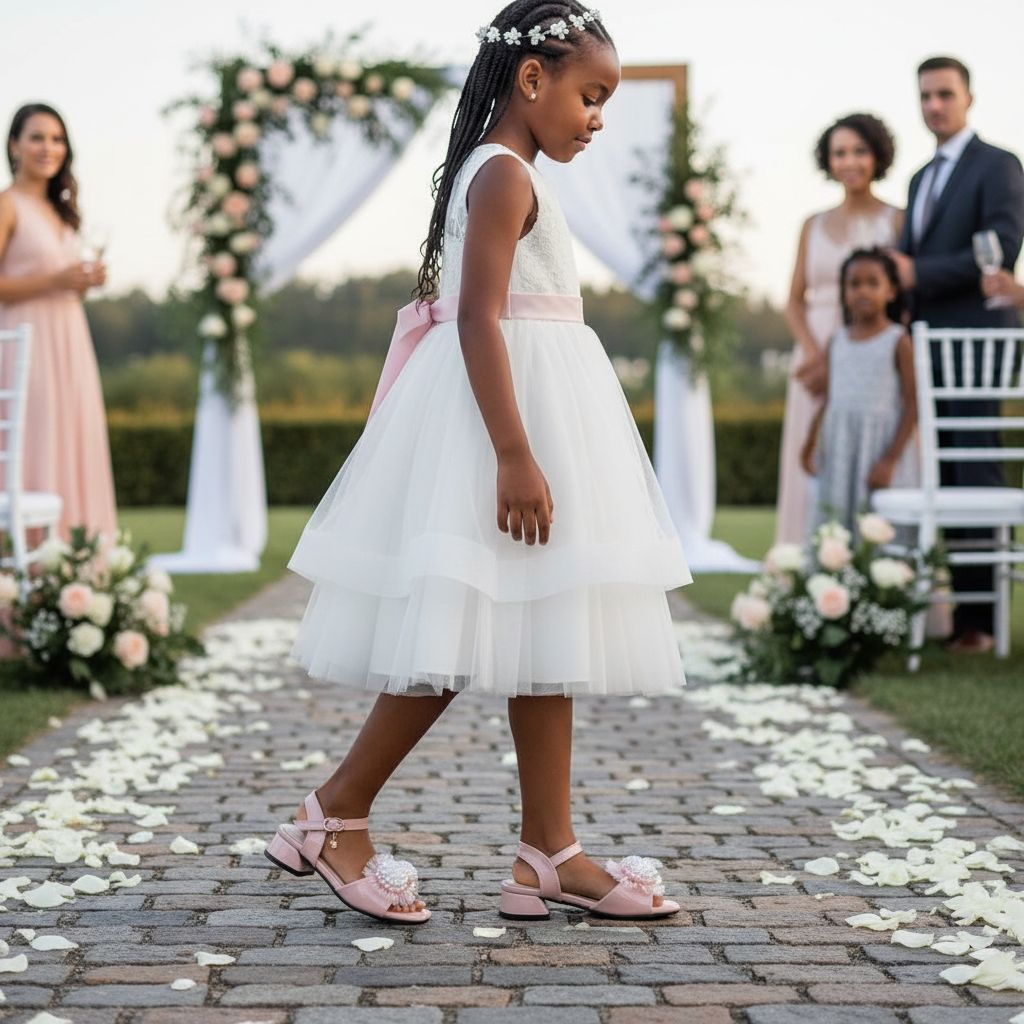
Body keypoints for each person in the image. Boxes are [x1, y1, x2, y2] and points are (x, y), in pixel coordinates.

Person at [265, 2, 690, 924]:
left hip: (533, 411)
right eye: (591, 95)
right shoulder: (500, 176)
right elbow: (474, 317)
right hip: (506, 422)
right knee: (454, 631)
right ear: (532, 80)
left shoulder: (507, 170)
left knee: (542, 629)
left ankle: (551, 849)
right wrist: (514, 453)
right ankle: (334, 811)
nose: (598, 118)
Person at [888, 56, 1024, 654]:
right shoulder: (919, 178)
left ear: (968, 97)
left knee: (977, 470)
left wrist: (918, 271)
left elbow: (999, 247)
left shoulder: (998, 165)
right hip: (924, 344)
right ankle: (958, 614)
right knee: (942, 476)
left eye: (944, 94)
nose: (934, 105)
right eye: (925, 96)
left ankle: (983, 620)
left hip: (977, 344)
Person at [776, 113, 902, 545]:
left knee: (865, 452)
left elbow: (903, 301)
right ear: (828, 161)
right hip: (814, 356)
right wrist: (816, 356)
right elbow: (794, 300)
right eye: (840, 153)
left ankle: (873, 568)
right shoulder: (812, 225)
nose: (850, 161)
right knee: (810, 460)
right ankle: (802, 572)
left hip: (873, 360)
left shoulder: (896, 221)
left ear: (877, 156)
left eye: (859, 151)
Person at [0, 103, 116, 541]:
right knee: (38, 445)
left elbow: (63, 282)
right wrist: (55, 278)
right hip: (27, 349)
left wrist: (83, 281)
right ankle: (27, 577)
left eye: (56, 139)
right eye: (36, 137)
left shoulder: (59, 211)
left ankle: (78, 566)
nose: (48, 147)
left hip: (71, 346)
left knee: (75, 442)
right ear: (14, 145)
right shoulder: (7, 206)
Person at [802, 249, 917, 538]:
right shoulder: (836, 341)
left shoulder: (898, 341)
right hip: (840, 449)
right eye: (854, 283)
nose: (862, 290)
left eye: (872, 283)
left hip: (879, 446)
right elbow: (829, 399)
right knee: (836, 520)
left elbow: (913, 404)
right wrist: (809, 442)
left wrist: (890, 459)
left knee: (878, 527)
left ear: (891, 291)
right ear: (844, 291)